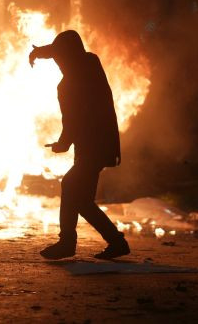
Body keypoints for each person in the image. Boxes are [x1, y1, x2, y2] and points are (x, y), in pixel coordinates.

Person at [29, 30, 130, 260]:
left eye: (59, 58)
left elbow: (73, 121)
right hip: (103, 145)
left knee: (70, 185)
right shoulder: (91, 62)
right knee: (82, 200)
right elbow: (67, 49)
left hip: (91, 148)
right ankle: (116, 242)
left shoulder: (68, 85)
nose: (58, 62)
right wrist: (40, 52)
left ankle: (67, 243)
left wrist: (61, 144)